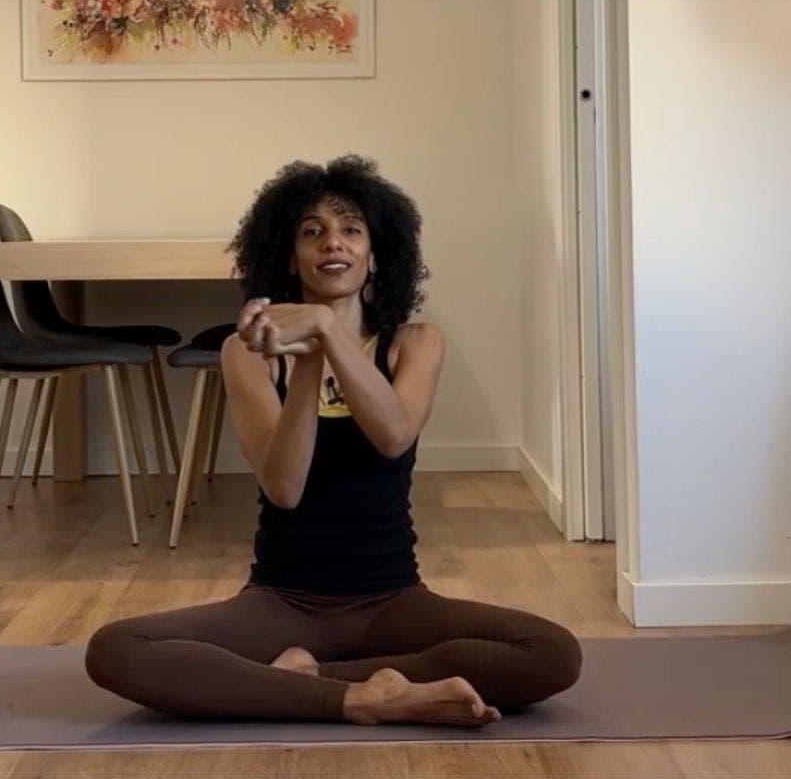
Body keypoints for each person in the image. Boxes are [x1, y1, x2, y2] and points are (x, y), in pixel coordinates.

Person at [85, 156, 581, 726]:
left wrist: (323, 328)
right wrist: (306, 361)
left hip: (392, 600)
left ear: (375, 256)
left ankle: (308, 677)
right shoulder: (243, 354)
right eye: (312, 231)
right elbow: (285, 487)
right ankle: (367, 695)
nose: (332, 244)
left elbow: (393, 435)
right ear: (288, 257)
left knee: (553, 653)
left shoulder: (415, 343)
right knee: (116, 650)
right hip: (282, 602)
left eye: (350, 230)